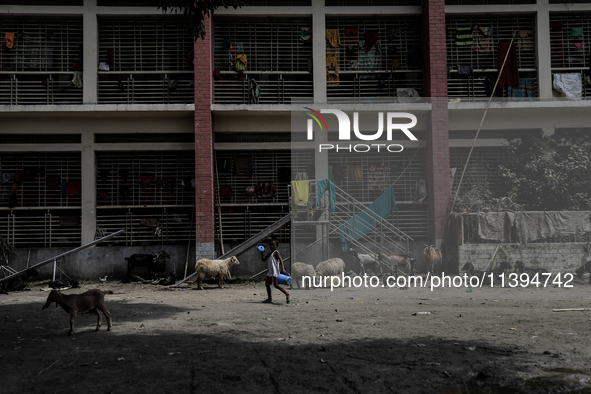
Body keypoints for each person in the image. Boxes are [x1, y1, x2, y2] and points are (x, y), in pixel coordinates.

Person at [261, 239, 291, 304]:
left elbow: (281, 260)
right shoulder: (269, 253)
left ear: (276, 246)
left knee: (276, 285)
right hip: (270, 272)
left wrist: (283, 269)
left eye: (273, 245)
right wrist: (261, 252)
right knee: (267, 284)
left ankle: (287, 294)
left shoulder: (276, 252)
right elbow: (263, 260)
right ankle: (269, 299)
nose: (271, 246)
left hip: (275, 272)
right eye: (270, 245)